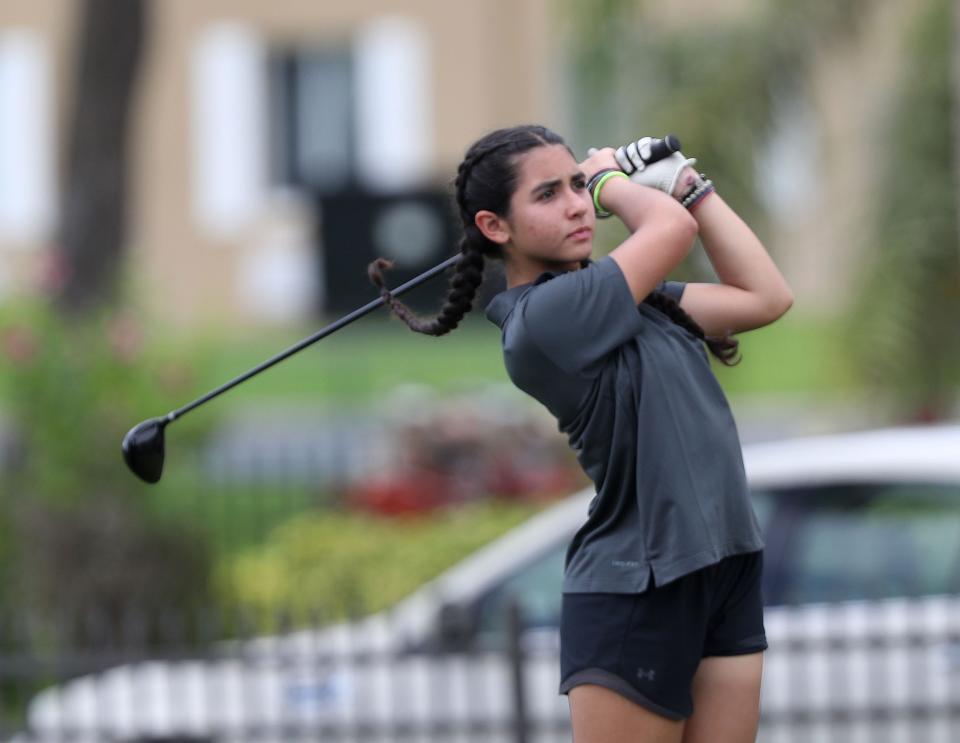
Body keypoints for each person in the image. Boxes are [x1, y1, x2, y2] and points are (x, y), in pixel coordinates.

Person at [368, 124, 793, 743]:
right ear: (494, 227)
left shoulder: (636, 303)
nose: (576, 204)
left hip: (724, 560)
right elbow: (670, 230)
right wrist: (608, 181)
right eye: (548, 195)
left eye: (574, 184)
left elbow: (765, 296)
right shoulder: (545, 320)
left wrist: (688, 186)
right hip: (640, 581)